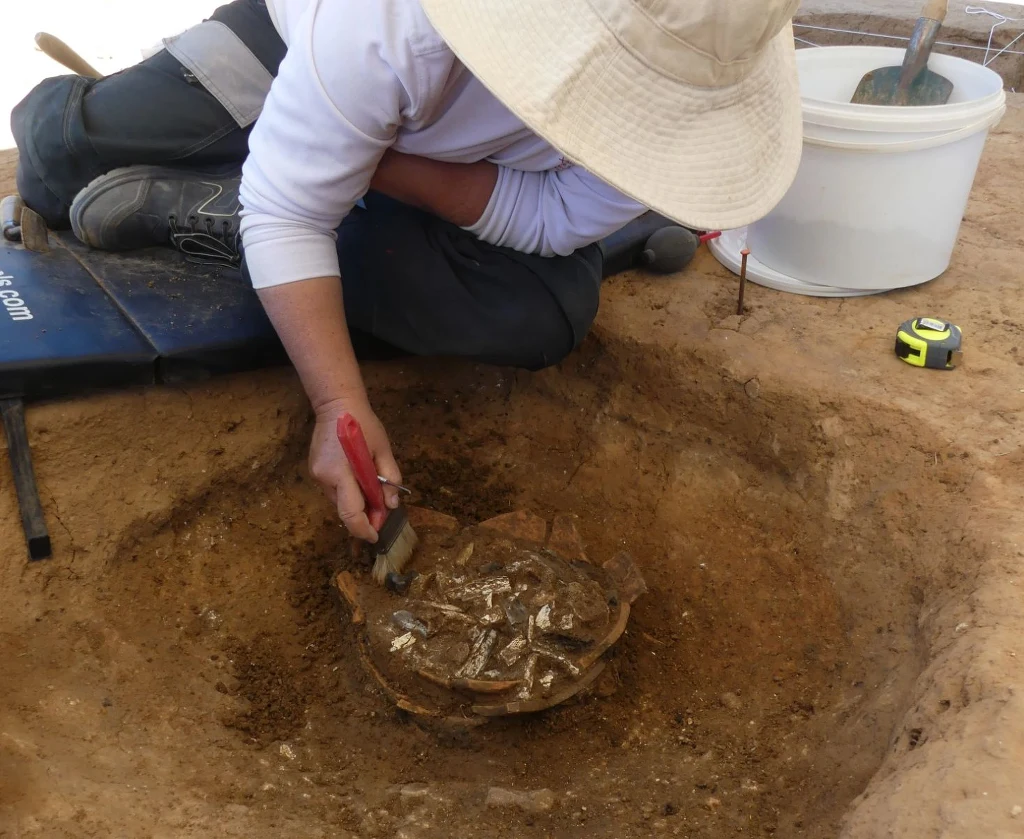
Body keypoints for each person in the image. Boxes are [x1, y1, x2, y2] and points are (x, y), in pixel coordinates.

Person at [11, 0, 803, 543]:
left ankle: (228, 203)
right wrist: (338, 405)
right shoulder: (385, 24)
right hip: (291, 45)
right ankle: (254, 172)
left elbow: (555, 218)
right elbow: (290, 213)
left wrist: (375, 162)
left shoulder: (698, 65)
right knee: (54, 168)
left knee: (542, 310)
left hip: (412, 151)